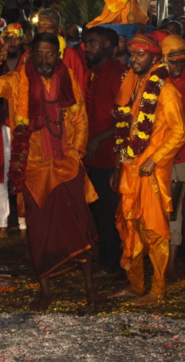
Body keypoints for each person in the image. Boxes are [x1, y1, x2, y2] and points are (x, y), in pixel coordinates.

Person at [0, 32, 100, 311]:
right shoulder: (18, 79)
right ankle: (45, 290)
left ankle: (89, 287)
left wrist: (76, 152)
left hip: (66, 166)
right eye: (39, 54)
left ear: (57, 55)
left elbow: (80, 116)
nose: (44, 59)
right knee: (39, 232)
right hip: (34, 167)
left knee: (78, 227)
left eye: (50, 54)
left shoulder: (68, 77)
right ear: (31, 55)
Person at [110, 33, 185, 305]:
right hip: (131, 169)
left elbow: (179, 132)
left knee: (154, 230)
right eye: (131, 54)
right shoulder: (132, 86)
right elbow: (125, 129)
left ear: (155, 57)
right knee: (130, 226)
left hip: (151, 171)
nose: (134, 59)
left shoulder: (165, 90)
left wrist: (155, 159)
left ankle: (159, 290)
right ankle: (136, 284)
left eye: (140, 54)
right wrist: (119, 166)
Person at [82, 27, 127, 277]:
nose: (88, 48)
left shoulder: (118, 74)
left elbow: (125, 117)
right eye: (86, 44)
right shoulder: (93, 74)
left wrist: (98, 138)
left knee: (111, 213)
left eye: (93, 43)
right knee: (100, 212)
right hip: (94, 156)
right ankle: (107, 261)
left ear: (109, 45)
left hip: (110, 156)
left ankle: (114, 265)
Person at [0, 22, 28, 241]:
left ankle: (24, 223)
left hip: (24, 126)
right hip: (2, 125)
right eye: (7, 38)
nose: (12, 42)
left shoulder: (29, 63)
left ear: (22, 40)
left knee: (23, 173)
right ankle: (2, 223)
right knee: (0, 175)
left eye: (16, 38)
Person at [162, 35, 185, 281]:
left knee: (174, 211)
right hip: (157, 158)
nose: (178, 67)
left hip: (180, 159)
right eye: (174, 62)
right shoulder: (155, 82)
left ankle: (170, 265)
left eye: (182, 62)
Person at [35, 8, 87, 95]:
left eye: (49, 28)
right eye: (40, 27)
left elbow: (79, 88)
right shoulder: (29, 54)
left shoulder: (70, 55)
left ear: (58, 30)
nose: (44, 32)